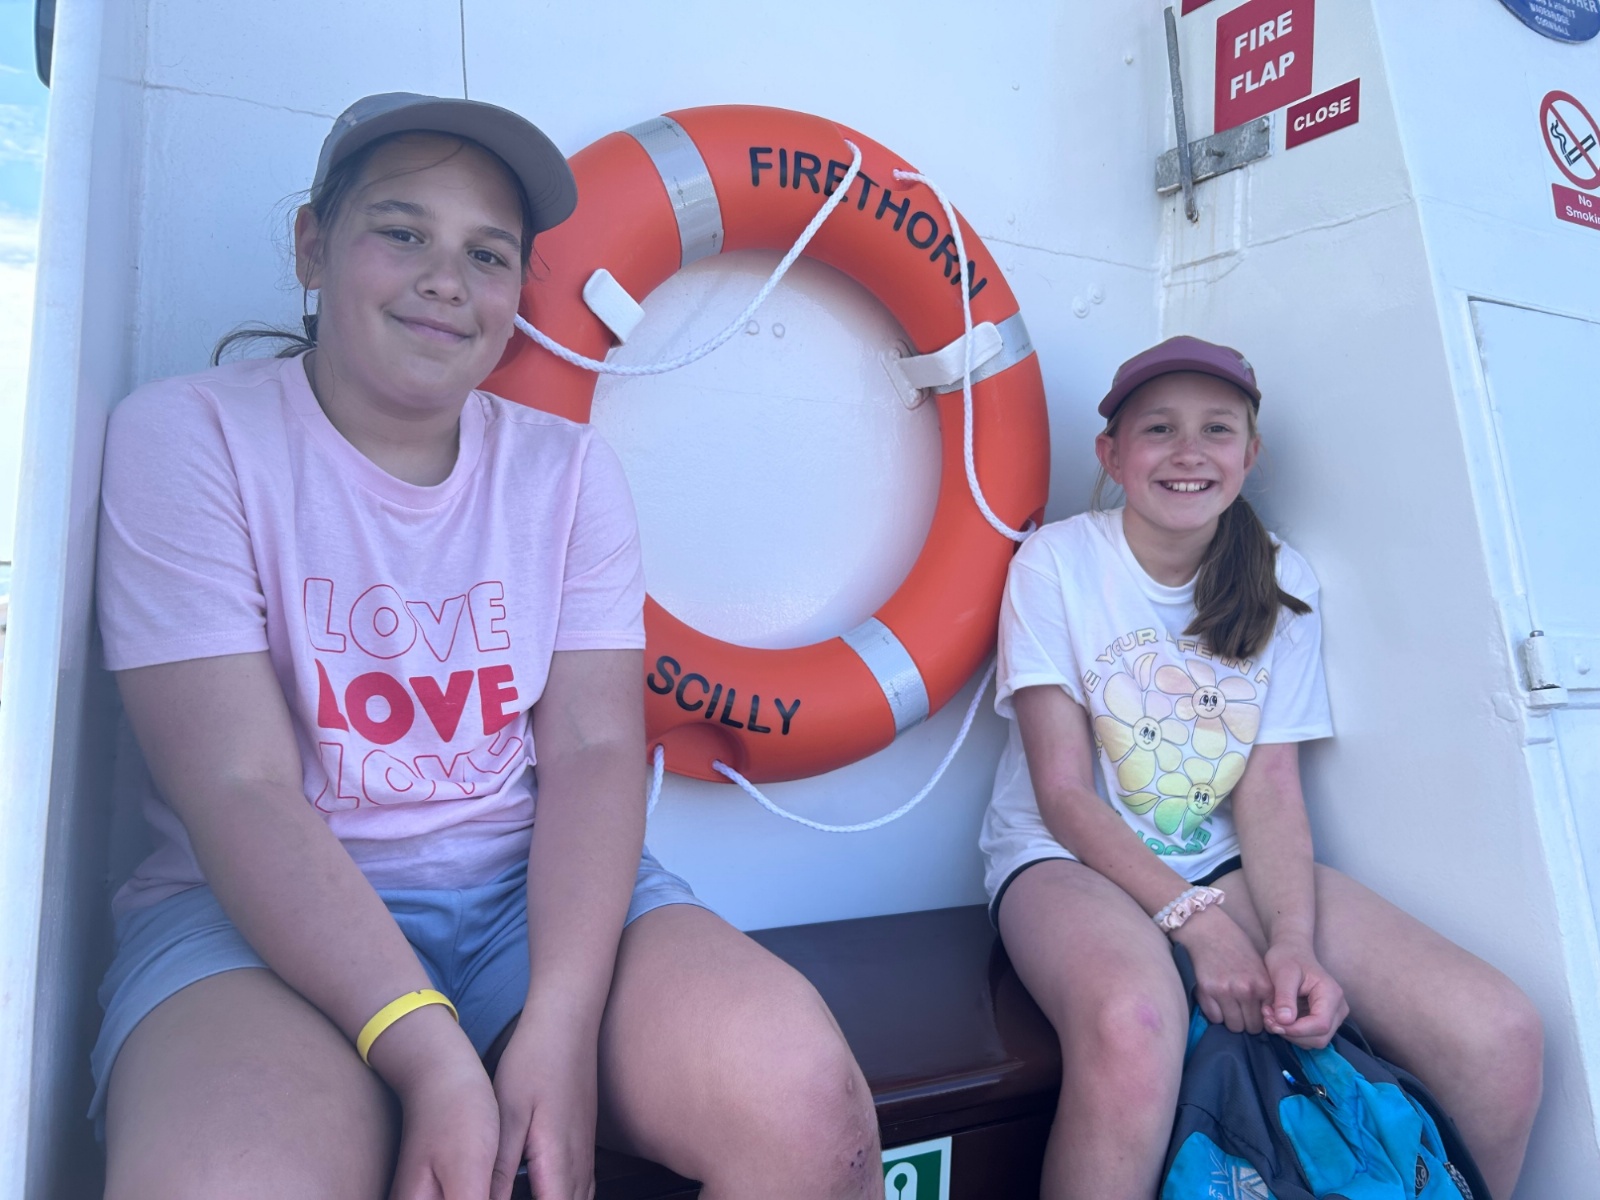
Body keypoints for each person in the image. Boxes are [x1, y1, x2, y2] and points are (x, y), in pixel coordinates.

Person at [91, 93, 880, 1200]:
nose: (445, 280)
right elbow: (239, 785)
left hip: (523, 892)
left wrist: (560, 1018)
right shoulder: (189, 437)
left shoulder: (568, 472)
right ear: (312, 246)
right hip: (253, 913)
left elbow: (596, 749)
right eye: (401, 231)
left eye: (486, 254)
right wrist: (428, 1051)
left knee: (808, 1104)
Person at [979, 336, 1544, 1200]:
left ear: (1250, 454)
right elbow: (1062, 793)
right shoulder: (1057, 563)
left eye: (1217, 428)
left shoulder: (1282, 578)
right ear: (1112, 455)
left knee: (1497, 1032)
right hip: (1065, 859)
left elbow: (1270, 788)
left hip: (1223, 860)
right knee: (1134, 1025)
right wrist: (1200, 927)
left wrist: (1291, 945)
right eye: (1158, 428)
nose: (1189, 451)